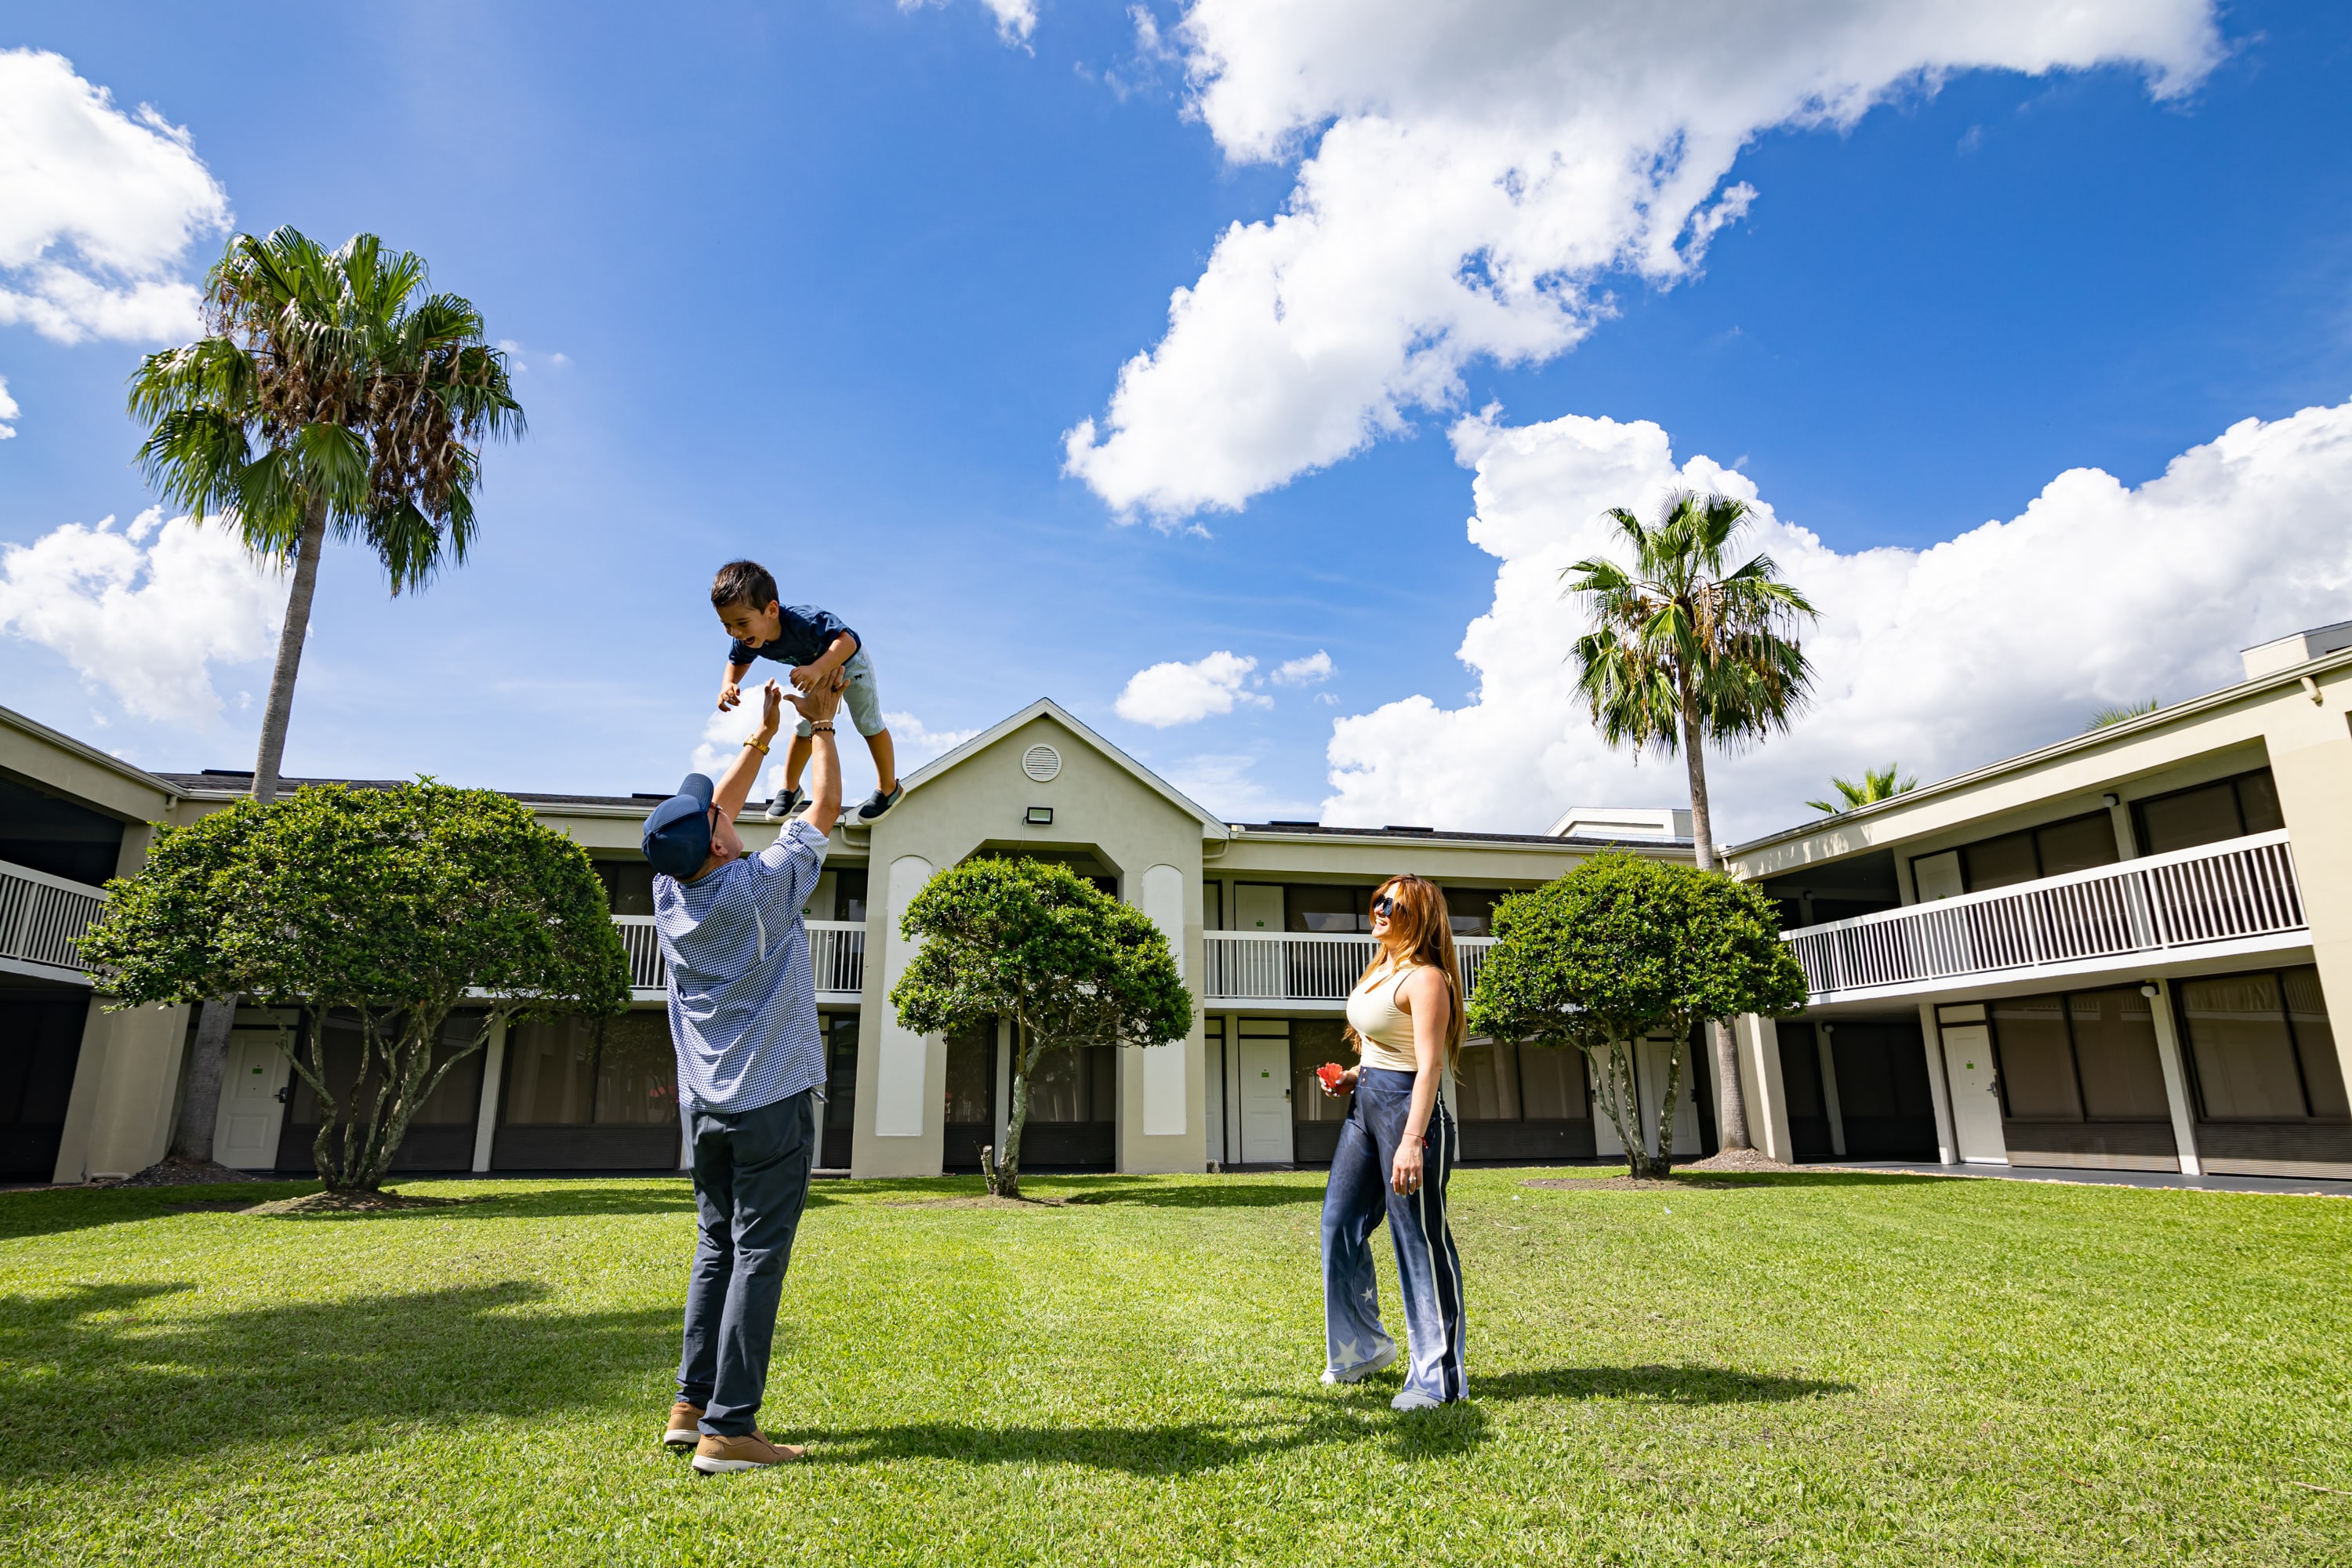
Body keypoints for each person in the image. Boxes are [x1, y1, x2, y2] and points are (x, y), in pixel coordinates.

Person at [641, 673, 843, 1472]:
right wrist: (821, 726)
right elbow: (821, 810)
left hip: (705, 1105)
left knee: (715, 1245)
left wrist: (759, 739)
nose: (722, 811)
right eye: (716, 818)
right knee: (758, 1253)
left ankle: (689, 1405)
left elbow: (710, 820)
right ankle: (729, 1428)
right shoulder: (761, 889)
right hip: (771, 1104)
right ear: (720, 844)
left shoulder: (669, 890)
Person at [1315, 874, 1469, 1410]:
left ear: (1418, 917)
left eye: (1393, 905)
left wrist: (1412, 1141)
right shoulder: (1382, 968)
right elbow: (1385, 1050)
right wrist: (1352, 1076)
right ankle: (1362, 1349)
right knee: (1339, 1225)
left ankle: (1438, 1380)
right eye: (1378, 900)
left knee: (1418, 1239)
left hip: (1409, 1113)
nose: (1379, 910)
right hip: (1367, 1108)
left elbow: (1428, 1067)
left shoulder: (1427, 979)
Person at [710, 558, 901, 823]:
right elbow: (736, 661)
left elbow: (849, 641)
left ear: (771, 610)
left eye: (741, 623)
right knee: (803, 727)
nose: (736, 632)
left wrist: (818, 668)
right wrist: (728, 684)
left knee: (868, 723)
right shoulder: (747, 639)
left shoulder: (805, 620)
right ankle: (790, 789)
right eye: (726, 625)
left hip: (849, 663)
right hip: (815, 672)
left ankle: (888, 788)